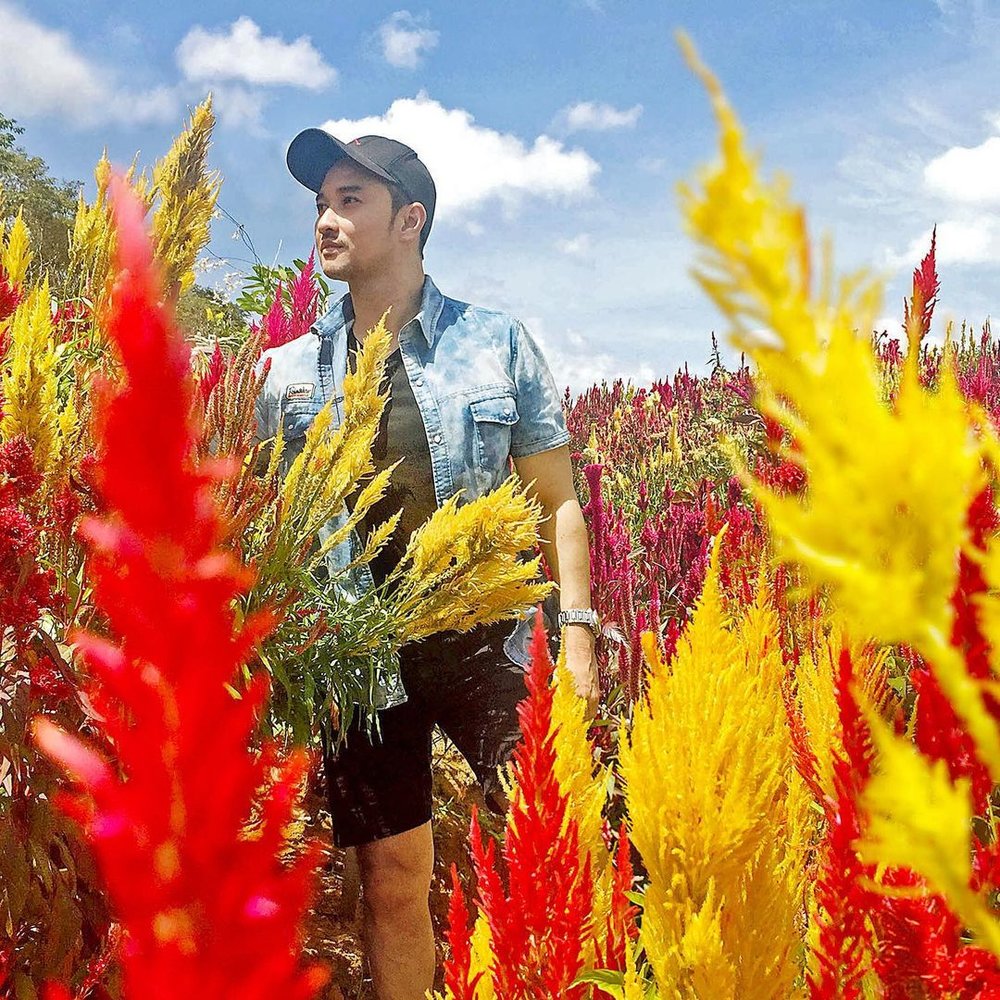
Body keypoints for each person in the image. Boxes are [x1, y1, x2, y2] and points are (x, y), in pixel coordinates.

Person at [255, 128, 600, 1000]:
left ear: (410, 219)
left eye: (349, 200)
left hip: (483, 643)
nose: (326, 221)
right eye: (321, 204)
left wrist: (580, 635)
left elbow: (559, 500)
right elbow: (261, 525)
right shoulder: (282, 374)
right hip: (356, 656)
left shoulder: (497, 345)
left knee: (563, 839)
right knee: (394, 879)